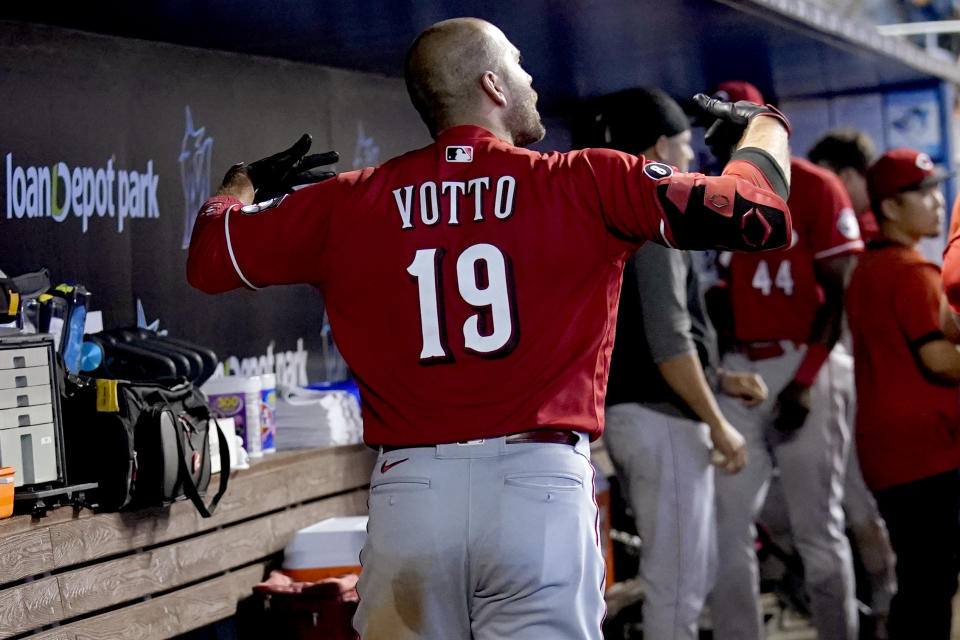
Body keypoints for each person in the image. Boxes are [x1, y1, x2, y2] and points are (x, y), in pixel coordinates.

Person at [186, 19, 793, 640]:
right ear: (493, 85)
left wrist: (242, 187)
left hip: (412, 493)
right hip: (539, 484)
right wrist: (765, 123)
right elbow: (758, 215)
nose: (532, 80)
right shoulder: (585, 178)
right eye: (521, 66)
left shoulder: (349, 200)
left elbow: (208, 257)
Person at [579, 87, 768, 640]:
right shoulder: (651, 214)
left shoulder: (611, 204)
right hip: (659, 417)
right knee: (678, 589)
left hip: (646, 413)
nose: (691, 160)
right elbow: (667, 343)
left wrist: (718, 379)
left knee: (686, 579)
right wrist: (719, 424)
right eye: (685, 147)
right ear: (659, 146)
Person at [704, 81, 861, 640]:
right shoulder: (715, 188)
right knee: (725, 526)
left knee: (818, 529)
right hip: (742, 368)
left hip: (804, 365)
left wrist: (805, 380)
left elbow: (838, 293)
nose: (718, 138)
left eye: (729, 125)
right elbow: (720, 292)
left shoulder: (816, 186)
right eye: (716, 128)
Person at [847, 148, 960, 640]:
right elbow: (939, 359)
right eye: (924, 191)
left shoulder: (868, 267)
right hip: (925, 453)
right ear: (890, 206)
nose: (937, 202)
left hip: (890, 452)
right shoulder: (910, 270)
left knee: (920, 579)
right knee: (930, 584)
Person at [808, 128, 880, 243]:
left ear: (846, 176)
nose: (816, 192)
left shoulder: (871, 232)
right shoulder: (884, 216)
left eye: (824, 181)